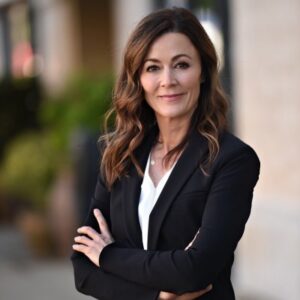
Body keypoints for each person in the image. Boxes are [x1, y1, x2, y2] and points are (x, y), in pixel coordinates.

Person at [71, 7, 260, 300]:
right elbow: (82, 269)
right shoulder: (120, 154)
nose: (167, 80)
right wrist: (158, 294)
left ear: (203, 73)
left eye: (182, 65)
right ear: (139, 79)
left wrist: (108, 256)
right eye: (153, 67)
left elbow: (195, 270)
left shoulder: (232, 161)